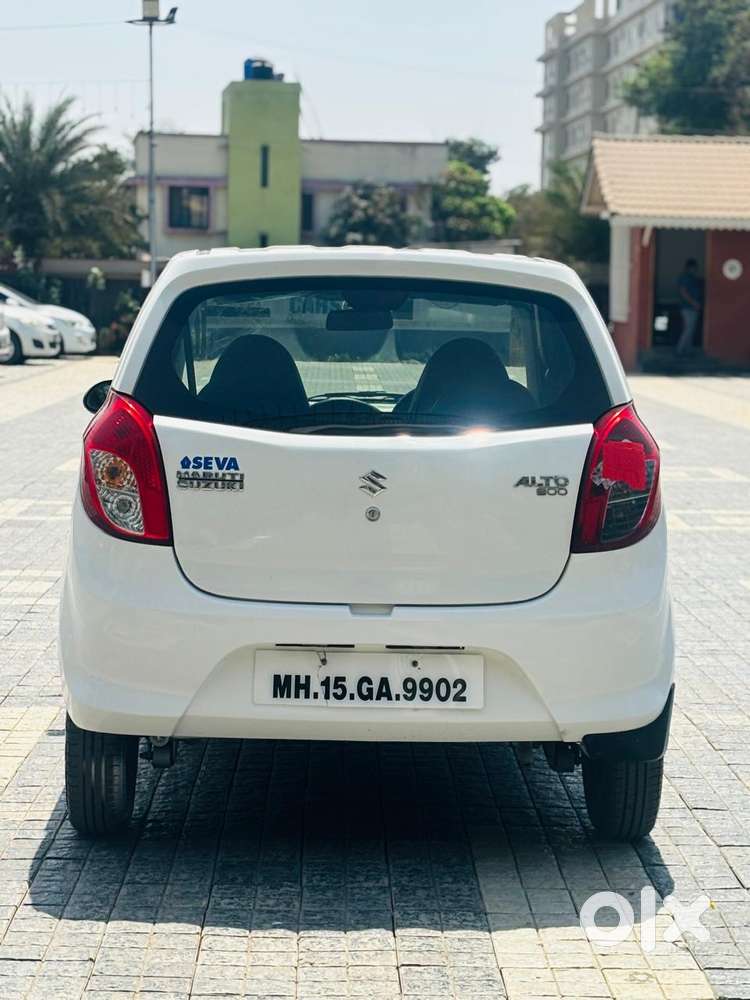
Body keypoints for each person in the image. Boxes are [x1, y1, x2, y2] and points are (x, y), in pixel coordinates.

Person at [676, 258, 703, 356]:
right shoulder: (684, 277)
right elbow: (683, 292)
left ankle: (687, 350)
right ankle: (679, 350)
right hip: (687, 307)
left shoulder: (693, 278)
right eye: (694, 268)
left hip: (692, 307)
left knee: (691, 329)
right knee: (688, 329)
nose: (695, 269)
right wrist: (693, 303)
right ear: (689, 267)